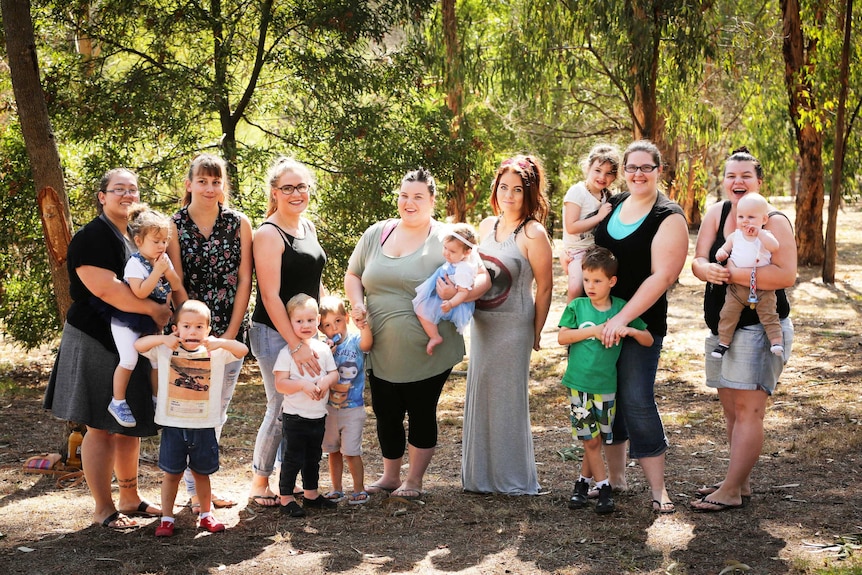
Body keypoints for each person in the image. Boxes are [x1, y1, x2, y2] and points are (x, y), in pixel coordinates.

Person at [345, 167, 489, 500]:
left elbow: (483, 278)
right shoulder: (376, 233)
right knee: (385, 411)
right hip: (379, 344)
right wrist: (356, 303)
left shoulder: (448, 236)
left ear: (432, 200)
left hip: (430, 348)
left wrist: (459, 295)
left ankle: (414, 480)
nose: (409, 203)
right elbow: (353, 274)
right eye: (404, 195)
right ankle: (390, 477)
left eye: (418, 197)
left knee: (421, 410)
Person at [43, 168, 171, 529]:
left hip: (132, 339)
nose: (127, 195)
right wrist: (155, 310)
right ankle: (103, 508)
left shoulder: (137, 236)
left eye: (133, 189)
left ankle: (129, 498)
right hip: (96, 339)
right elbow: (107, 289)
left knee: (128, 423)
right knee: (100, 425)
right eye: (119, 189)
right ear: (102, 196)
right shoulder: (91, 237)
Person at [690, 147, 795, 512]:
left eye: (745, 176)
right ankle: (740, 481)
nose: (737, 182)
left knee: (749, 411)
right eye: (731, 175)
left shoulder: (774, 221)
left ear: (758, 182)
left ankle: (732, 490)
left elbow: (785, 275)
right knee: (732, 409)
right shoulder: (716, 214)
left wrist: (732, 274)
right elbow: (699, 259)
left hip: (760, 331)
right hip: (722, 328)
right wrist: (706, 270)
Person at [592, 140, 689, 513]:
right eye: (631, 167)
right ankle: (616, 479)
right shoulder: (613, 204)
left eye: (645, 168)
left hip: (640, 323)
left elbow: (660, 277)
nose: (637, 174)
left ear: (658, 171)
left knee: (636, 398)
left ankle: (659, 489)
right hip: (600, 321)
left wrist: (621, 319)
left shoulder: (668, 216)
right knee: (607, 398)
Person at [461, 154, 554, 495]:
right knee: (481, 394)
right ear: (495, 189)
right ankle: (480, 478)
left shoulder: (533, 232)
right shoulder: (486, 226)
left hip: (515, 326)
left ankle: (512, 480)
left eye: (518, 189)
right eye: (504, 187)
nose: (509, 195)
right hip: (482, 325)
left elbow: (545, 287)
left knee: (507, 400)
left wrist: (537, 331)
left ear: (529, 193)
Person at [166, 153, 253, 512]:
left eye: (216, 182)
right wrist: (197, 335)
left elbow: (246, 278)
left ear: (223, 186)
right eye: (202, 181)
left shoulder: (239, 223)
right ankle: (193, 490)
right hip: (188, 336)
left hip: (228, 333)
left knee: (217, 412)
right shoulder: (173, 225)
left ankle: (199, 485)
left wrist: (227, 337)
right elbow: (176, 282)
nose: (209, 187)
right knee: (191, 410)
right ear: (189, 184)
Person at [248, 156, 327, 507]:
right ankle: (259, 481)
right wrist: (296, 345)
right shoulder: (268, 233)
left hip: (304, 332)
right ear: (275, 192)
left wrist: (318, 332)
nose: (296, 193)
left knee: (299, 409)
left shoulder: (307, 227)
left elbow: (315, 284)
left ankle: (288, 480)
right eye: (288, 188)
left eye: (301, 187)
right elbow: (269, 295)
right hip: (273, 332)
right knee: (281, 407)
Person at [135, 300, 248, 536]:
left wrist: (220, 342)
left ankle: (206, 515)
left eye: (199, 326)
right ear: (176, 329)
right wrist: (162, 338)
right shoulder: (166, 349)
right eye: (186, 326)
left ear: (207, 330)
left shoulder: (215, 352)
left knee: (202, 473)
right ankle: (167, 518)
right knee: (171, 474)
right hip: (173, 425)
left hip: (204, 424)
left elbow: (242, 350)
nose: (192, 331)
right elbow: (139, 345)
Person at [558, 247, 653, 514]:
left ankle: (581, 484)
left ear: (612, 281)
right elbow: (562, 337)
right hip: (579, 384)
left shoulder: (622, 308)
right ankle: (604, 489)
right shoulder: (577, 306)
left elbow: (647, 340)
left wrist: (630, 330)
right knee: (590, 441)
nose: (590, 286)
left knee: (596, 439)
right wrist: (596, 330)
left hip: (606, 387)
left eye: (597, 281)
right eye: (586, 280)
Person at [107, 204, 187, 428]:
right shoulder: (135, 263)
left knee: (157, 361)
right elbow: (140, 291)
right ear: (139, 241)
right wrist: (157, 272)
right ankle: (118, 401)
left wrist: (167, 271)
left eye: (164, 241)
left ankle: (157, 399)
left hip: (153, 320)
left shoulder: (162, 261)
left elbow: (176, 285)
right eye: (156, 241)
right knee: (129, 358)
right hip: (128, 320)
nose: (161, 246)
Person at [273, 294, 339, 517]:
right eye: (299, 321)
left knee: (313, 458)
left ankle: (311, 494)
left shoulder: (322, 349)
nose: (305, 325)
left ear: (318, 320)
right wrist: (302, 385)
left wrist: (325, 381)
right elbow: (280, 384)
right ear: (290, 323)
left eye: (310, 320)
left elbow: (334, 374)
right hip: (295, 417)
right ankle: (286, 498)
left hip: (318, 415)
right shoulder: (286, 353)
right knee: (293, 458)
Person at [711, 192, 784, 358]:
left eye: (751, 217)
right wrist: (721, 253)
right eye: (741, 216)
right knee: (728, 313)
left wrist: (760, 233)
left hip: (763, 288)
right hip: (737, 289)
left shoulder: (765, 236)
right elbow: (724, 249)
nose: (745, 221)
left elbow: (774, 247)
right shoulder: (735, 236)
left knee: (769, 314)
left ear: (763, 220)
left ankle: (776, 341)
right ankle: (723, 343)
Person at [318, 295, 373, 505]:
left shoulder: (355, 341)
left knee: (351, 452)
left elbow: (368, 343)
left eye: (338, 321)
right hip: (330, 408)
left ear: (346, 318)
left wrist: (364, 325)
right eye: (328, 325)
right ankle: (337, 489)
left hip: (353, 407)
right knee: (332, 451)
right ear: (322, 329)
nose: (334, 328)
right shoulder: (323, 348)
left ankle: (359, 488)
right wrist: (326, 355)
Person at [562, 144, 621, 302]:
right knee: (576, 288)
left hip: (596, 251)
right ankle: (568, 323)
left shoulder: (606, 196)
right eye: (598, 170)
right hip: (576, 252)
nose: (602, 177)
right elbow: (571, 227)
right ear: (587, 168)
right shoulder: (577, 192)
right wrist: (599, 216)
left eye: (609, 173)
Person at [412, 223, 479, 354]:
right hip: (447, 296)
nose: (446, 253)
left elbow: (463, 293)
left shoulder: (463, 270)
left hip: (454, 303)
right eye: (445, 248)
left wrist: (450, 303)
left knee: (420, 308)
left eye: (452, 251)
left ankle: (434, 336)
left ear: (467, 252)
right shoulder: (457, 261)